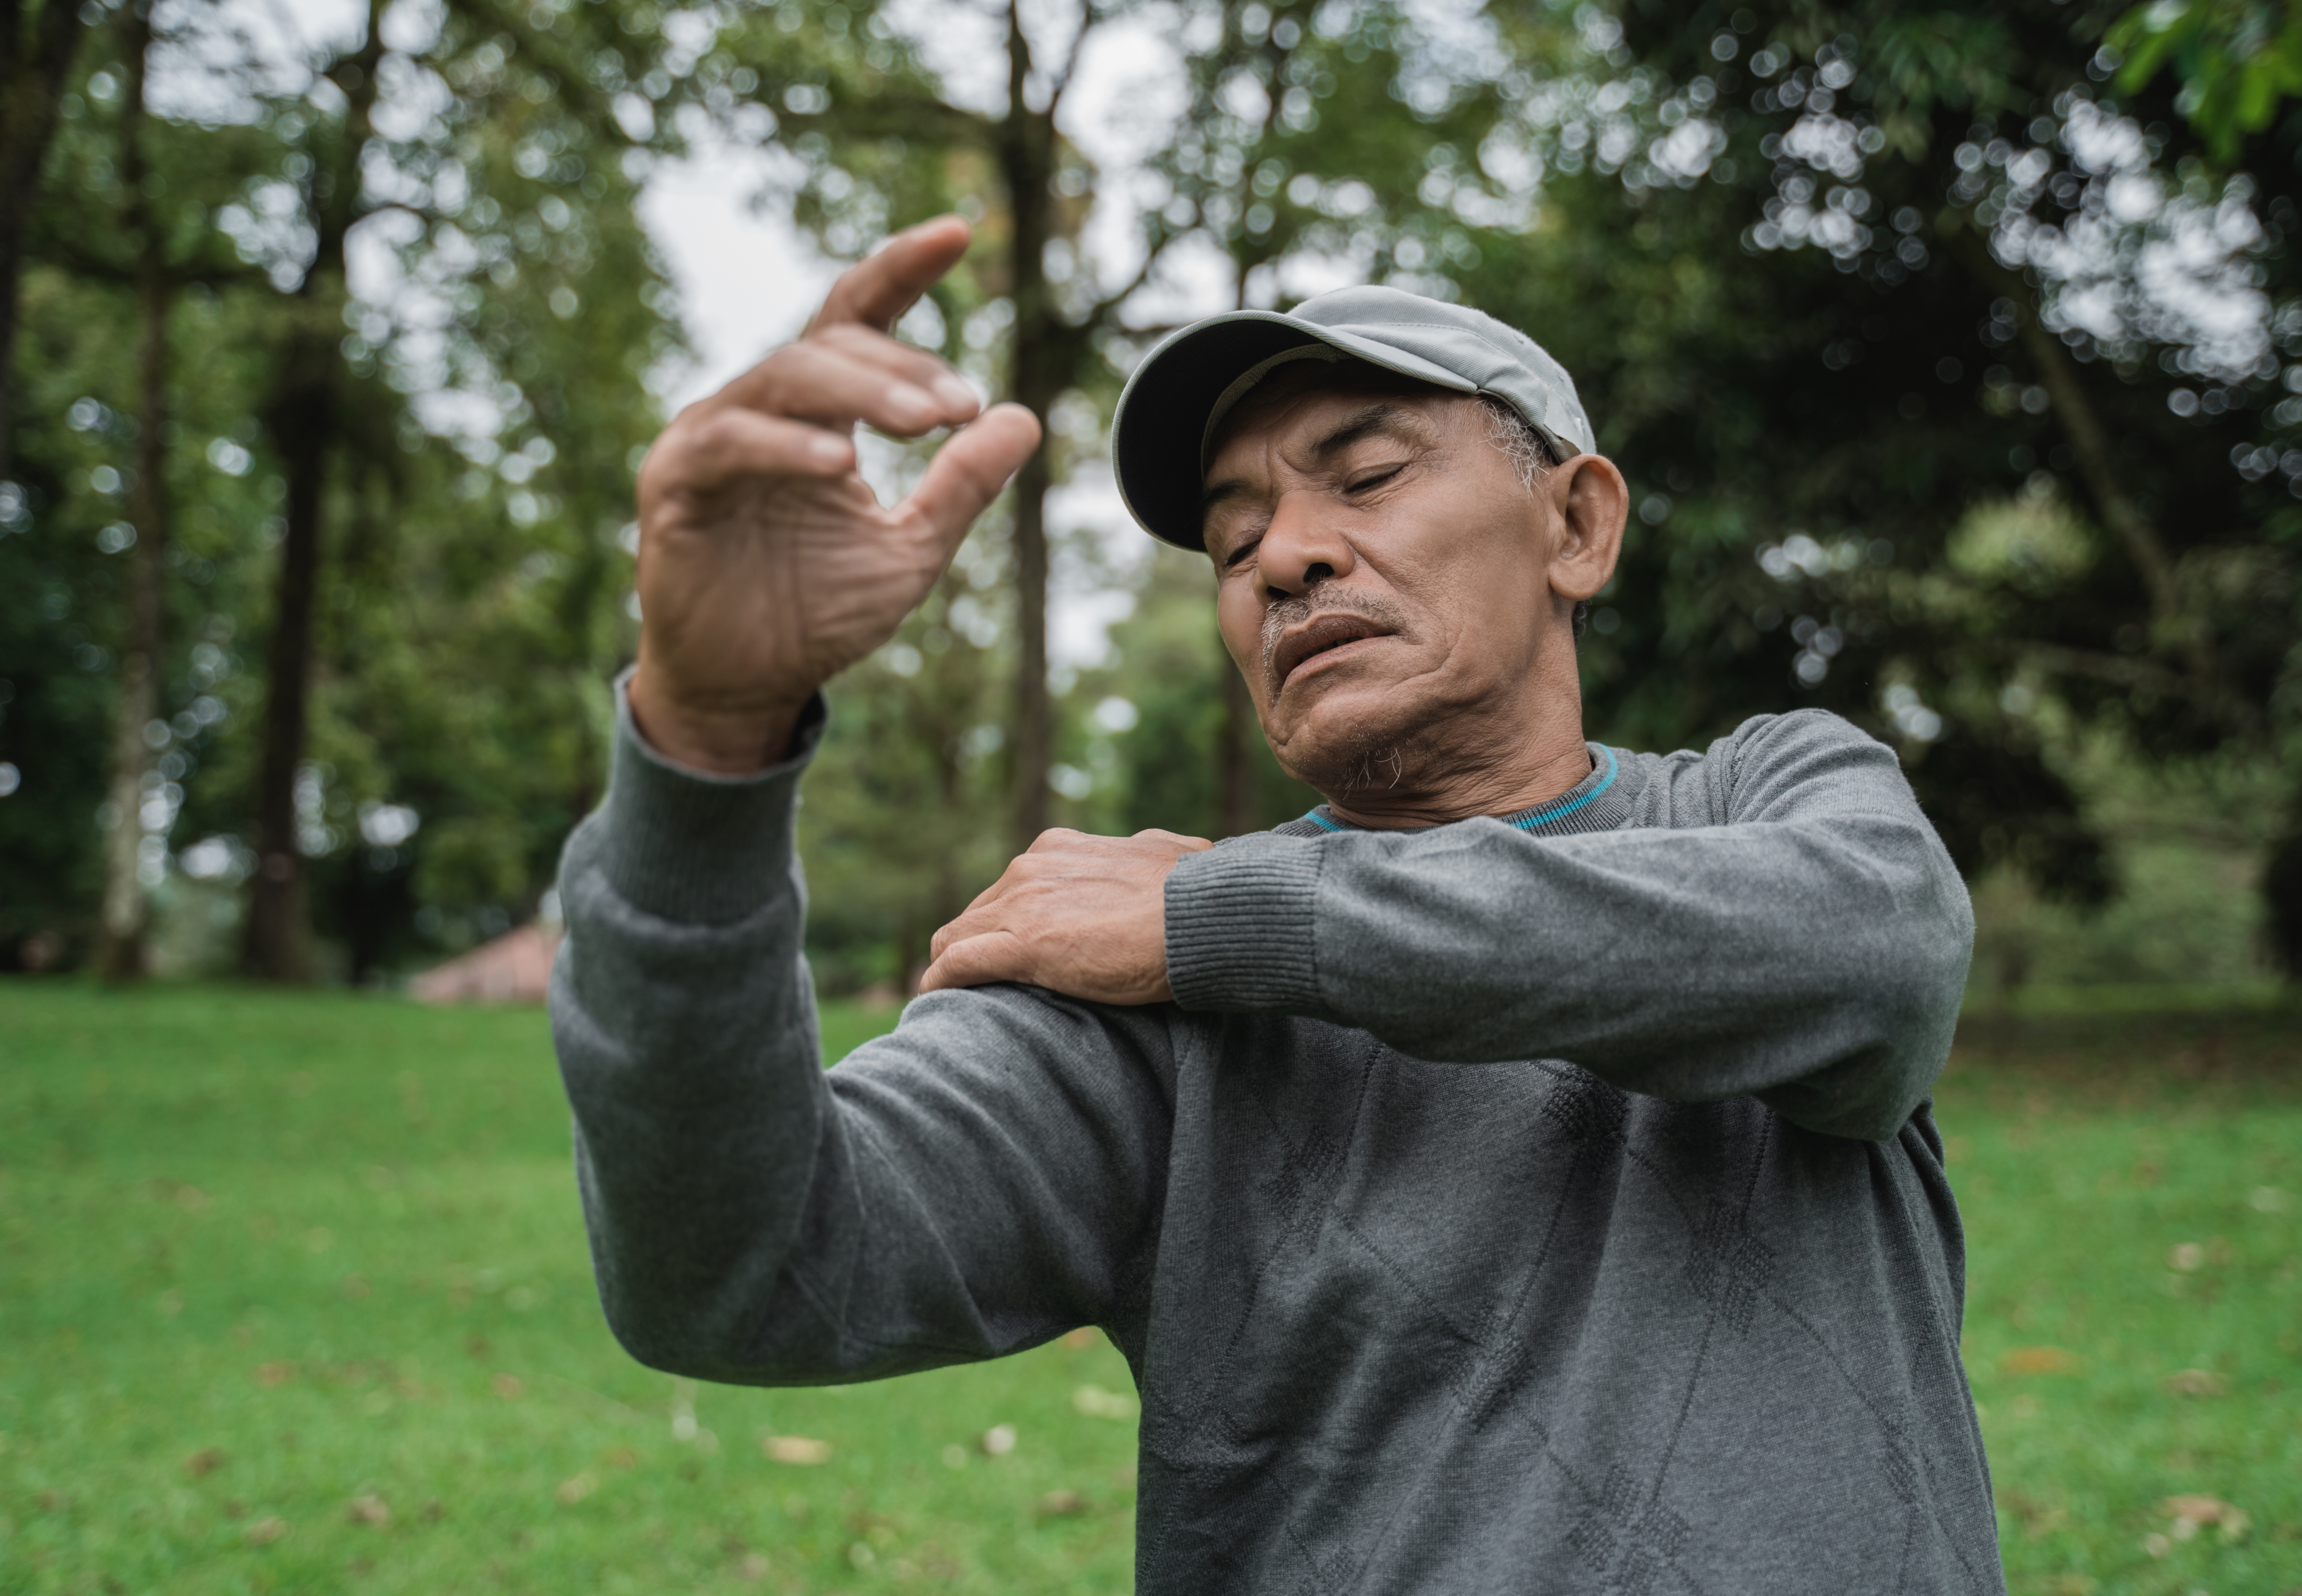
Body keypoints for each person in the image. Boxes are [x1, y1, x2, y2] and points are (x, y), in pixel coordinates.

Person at [551, 215, 1998, 1593]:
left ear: (1577, 523)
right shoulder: (1135, 998)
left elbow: (1879, 958)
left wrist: (1229, 916)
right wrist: (704, 743)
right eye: (1234, 544)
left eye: (1366, 480)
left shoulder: (1758, 798)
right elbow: (738, 1273)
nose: (1287, 560)